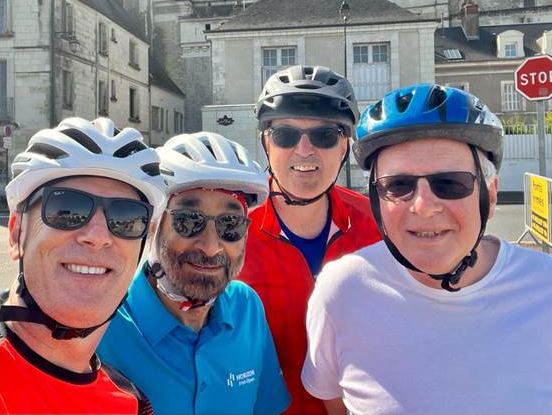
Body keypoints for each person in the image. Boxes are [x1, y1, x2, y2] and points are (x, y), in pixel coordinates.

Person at [302, 84, 552, 415]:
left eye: (450, 184)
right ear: (376, 202)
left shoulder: (544, 288)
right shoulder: (341, 292)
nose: (422, 206)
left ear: (490, 196)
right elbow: (335, 404)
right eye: (398, 186)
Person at [0, 117, 166, 414]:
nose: (97, 237)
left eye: (126, 218)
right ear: (16, 232)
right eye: (66, 208)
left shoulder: (133, 404)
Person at [98, 132, 290, 415]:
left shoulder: (246, 308)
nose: (212, 248)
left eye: (230, 224)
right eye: (188, 221)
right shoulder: (101, 322)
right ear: (154, 225)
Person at [238, 65, 381, 415]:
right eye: (285, 135)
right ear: (265, 142)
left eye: (325, 136)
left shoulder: (378, 224)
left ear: (345, 145)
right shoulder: (231, 229)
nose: (304, 150)